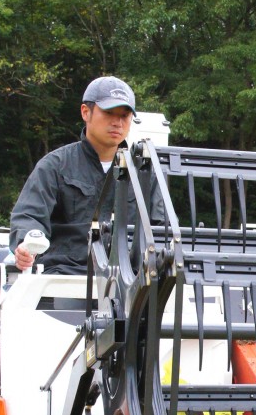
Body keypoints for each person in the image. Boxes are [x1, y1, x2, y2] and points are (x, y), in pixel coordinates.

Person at [10, 75, 161, 274]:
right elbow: (29, 216)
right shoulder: (55, 165)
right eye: (109, 113)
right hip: (63, 277)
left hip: (130, 283)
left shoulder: (145, 173)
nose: (117, 122)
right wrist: (26, 244)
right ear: (85, 112)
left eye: (124, 116)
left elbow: (161, 229)